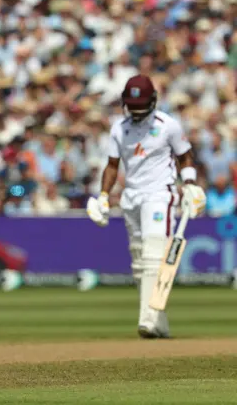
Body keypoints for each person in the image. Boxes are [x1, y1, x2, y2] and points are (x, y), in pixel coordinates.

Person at [87, 75, 206, 339]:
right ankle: (158, 320)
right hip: (131, 196)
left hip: (159, 195)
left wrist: (189, 184)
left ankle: (148, 318)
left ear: (153, 101)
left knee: (154, 252)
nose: (137, 111)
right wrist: (104, 195)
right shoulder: (119, 128)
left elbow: (185, 156)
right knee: (140, 259)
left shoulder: (168, 125)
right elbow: (112, 165)